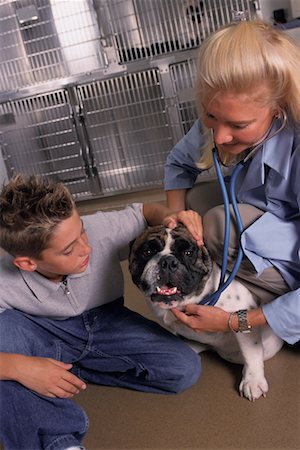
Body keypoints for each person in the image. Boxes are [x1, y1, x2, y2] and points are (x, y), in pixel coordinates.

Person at [0, 174, 202, 450]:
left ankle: (73, 370)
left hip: (107, 321)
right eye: (70, 249)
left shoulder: (99, 230)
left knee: (183, 369)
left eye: (81, 230)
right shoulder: (3, 279)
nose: (87, 247)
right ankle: (58, 444)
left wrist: (169, 215)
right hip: (44, 333)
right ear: (27, 263)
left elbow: (144, 211)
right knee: (6, 352)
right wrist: (21, 367)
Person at [164, 20, 300, 344]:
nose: (221, 136)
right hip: (267, 212)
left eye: (239, 125)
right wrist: (176, 216)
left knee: (216, 223)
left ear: (278, 108)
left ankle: (274, 305)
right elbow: (179, 162)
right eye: (211, 117)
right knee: (194, 202)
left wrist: (234, 321)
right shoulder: (223, 110)